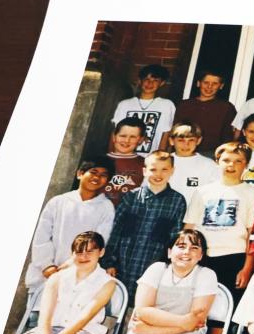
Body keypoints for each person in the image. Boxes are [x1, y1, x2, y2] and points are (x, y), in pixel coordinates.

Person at [183, 141, 254, 298]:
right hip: (201, 257)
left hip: (234, 258)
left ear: (246, 165)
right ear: (217, 162)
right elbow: (188, 229)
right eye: (226, 160)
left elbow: (253, 236)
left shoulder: (253, 194)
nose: (231, 165)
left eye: (238, 161)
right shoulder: (202, 192)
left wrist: (247, 268)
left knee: (223, 311)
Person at [25, 156, 115, 295]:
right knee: (37, 314)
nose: (97, 177)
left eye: (103, 175)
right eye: (93, 172)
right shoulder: (58, 202)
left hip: (79, 275)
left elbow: (99, 241)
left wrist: (70, 267)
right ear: (80, 174)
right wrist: (47, 265)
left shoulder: (106, 208)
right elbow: (41, 237)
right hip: (47, 273)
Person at [101, 150, 186, 296]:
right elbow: (115, 231)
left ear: (172, 171)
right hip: (122, 266)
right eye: (153, 169)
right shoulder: (131, 197)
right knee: (114, 302)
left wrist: (167, 268)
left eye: (164, 169)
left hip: (152, 269)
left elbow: (174, 239)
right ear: (145, 171)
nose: (158, 174)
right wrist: (109, 262)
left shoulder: (177, 201)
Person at [110, 64, 176, 155]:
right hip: (124, 155)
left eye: (155, 80)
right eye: (147, 79)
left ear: (162, 83)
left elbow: (166, 134)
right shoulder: (125, 104)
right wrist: (112, 155)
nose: (150, 83)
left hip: (150, 159)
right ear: (140, 81)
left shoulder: (167, 105)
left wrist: (160, 156)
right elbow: (115, 132)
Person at [173, 69, 237, 155]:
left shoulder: (226, 107)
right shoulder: (184, 105)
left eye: (214, 84)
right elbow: (174, 131)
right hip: (184, 151)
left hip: (212, 154)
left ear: (221, 86)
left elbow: (229, 136)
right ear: (198, 83)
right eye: (206, 82)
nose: (209, 87)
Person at [166, 121, 219, 204]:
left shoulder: (209, 165)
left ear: (198, 140)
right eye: (180, 140)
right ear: (171, 141)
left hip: (195, 213)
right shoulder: (162, 162)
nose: (186, 145)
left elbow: (215, 193)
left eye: (191, 140)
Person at [104, 117, 146, 205]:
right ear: (114, 136)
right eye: (123, 136)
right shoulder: (98, 161)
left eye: (133, 137)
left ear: (141, 140)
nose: (127, 141)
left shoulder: (145, 164)